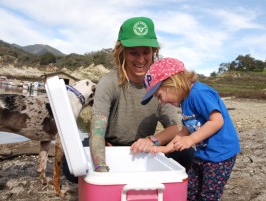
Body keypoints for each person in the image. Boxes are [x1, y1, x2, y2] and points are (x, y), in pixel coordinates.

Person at [62, 16, 194, 182]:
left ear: (154, 52)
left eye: (146, 52)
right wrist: (101, 168)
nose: (140, 59)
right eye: (133, 53)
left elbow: (174, 128)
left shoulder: (161, 85)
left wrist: (152, 140)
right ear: (122, 52)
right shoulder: (109, 82)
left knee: (187, 155)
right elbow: (96, 131)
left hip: (143, 147)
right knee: (71, 163)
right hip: (109, 144)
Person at [141, 57, 241, 200]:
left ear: (172, 83)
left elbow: (217, 121)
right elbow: (184, 131)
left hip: (220, 155)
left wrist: (191, 140)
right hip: (203, 153)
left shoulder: (199, 93)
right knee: (190, 190)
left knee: (208, 195)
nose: (161, 101)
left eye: (159, 95)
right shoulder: (184, 102)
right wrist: (166, 149)